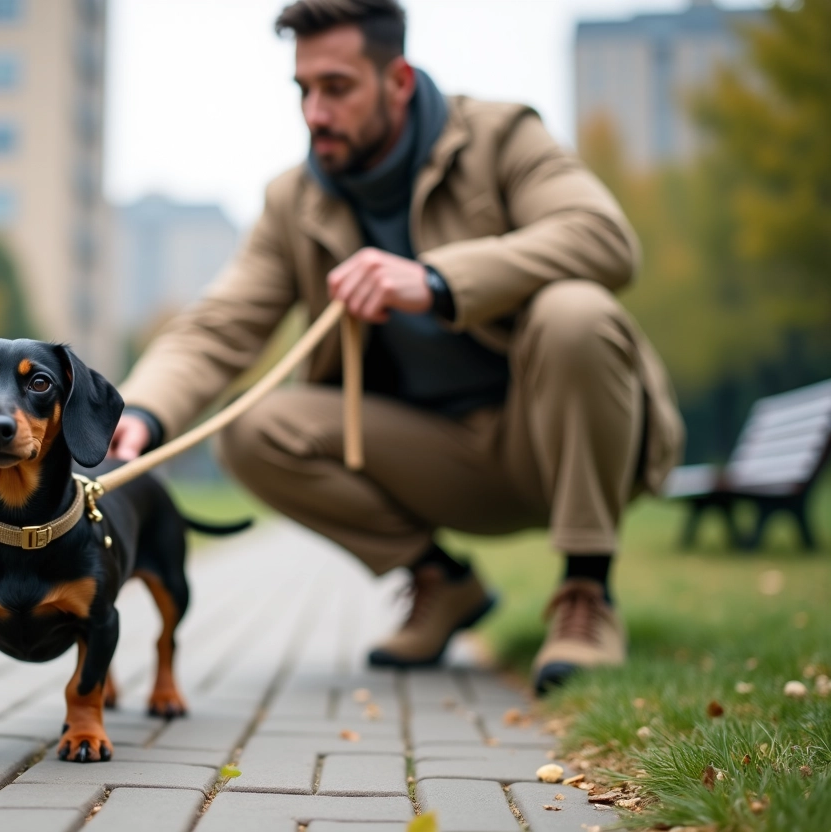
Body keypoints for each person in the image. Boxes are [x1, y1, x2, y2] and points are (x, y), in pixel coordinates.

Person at [108, 0, 683, 693]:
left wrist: (437, 280)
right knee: (252, 429)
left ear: (399, 81)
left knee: (576, 312)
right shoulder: (294, 201)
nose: (315, 113)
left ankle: (587, 593)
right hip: (431, 456)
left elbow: (604, 238)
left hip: (554, 440)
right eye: (304, 90)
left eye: (338, 87)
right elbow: (217, 326)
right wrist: (139, 412)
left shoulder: (503, 135)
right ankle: (442, 582)